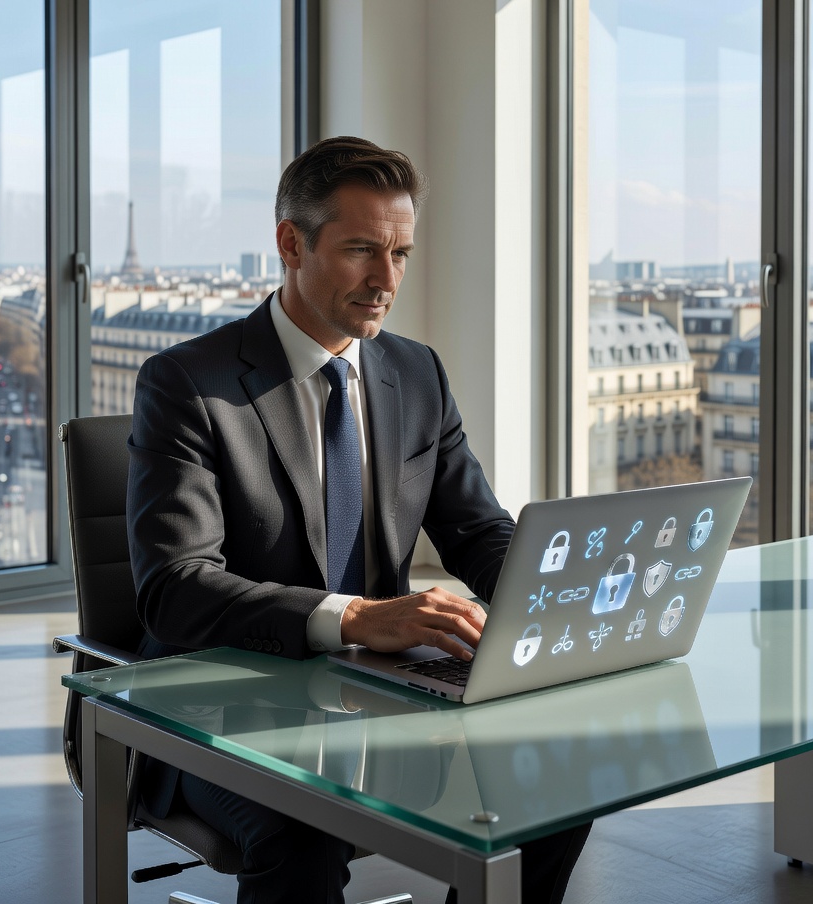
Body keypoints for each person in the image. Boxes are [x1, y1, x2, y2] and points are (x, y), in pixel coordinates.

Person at [127, 136, 591, 904]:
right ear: (290, 244)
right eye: (361, 251)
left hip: (383, 693)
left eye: (401, 253)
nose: (387, 280)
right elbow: (176, 588)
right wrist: (356, 617)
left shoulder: (416, 372)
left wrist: (552, 595)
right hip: (219, 703)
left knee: (557, 784)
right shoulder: (188, 384)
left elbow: (477, 530)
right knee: (301, 833)